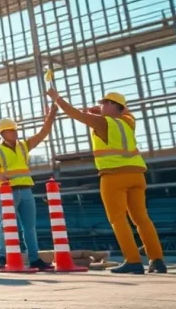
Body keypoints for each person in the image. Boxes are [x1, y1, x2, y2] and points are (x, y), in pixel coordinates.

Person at [47, 88, 166, 274]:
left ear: (110, 104)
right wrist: (100, 110)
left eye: (103, 103)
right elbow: (125, 111)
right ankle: (157, 260)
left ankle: (133, 261)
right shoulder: (129, 122)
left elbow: (75, 114)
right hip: (137, 175)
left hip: (113, 176)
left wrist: (57, 98)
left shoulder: (103, 123)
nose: (100, 106)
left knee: (118, 219)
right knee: (142, 219)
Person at [0, 106, 58, 271]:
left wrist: (50, 116)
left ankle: (34, 259)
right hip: (6, 192)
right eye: (11, 130)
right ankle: (2, 258)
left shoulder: (24, 146)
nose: (15, 133)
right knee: (5, 225)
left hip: (25, 190)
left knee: (30, 227)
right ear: (2, 133)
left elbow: (43, 134)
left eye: (15, 130)